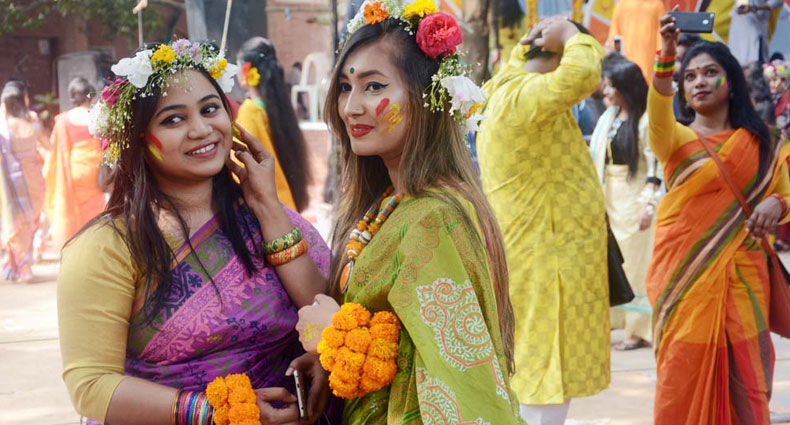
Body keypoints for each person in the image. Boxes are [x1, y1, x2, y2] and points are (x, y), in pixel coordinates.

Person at [57, 40, 334, 425]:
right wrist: (219, 411)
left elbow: (327, 311)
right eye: (173, 119)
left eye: (209, 109)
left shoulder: (267, 217)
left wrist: (323, 355)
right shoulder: (108, 247)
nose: (201, 130)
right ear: (138, 137)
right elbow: (91, 385)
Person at [296, 3, 525, 424]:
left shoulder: (433, 218)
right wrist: (333, 357)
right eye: (345, 87)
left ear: (425, 99)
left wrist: (337, 333)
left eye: (374, 86)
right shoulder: (390, 202)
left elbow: (457, 372)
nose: (350, 107)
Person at [646, 9, 790, 424]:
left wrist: (777, 204)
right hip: (684, 280)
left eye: (711, 73)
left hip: (746, 279)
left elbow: (786, 194)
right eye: (690, 77)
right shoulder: (675, 139)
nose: (700, 82)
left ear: (731, 82)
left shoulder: (764, 141)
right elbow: (658, 109)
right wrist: (667, 55)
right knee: (682, 376)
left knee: (749, 384)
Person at [477, 17, 610, 425]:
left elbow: (529, 63)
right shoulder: (526, 97)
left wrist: (542, 40)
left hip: (533, 249)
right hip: (546, 256)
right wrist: (571, 35)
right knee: (544, 368)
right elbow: (583, 75)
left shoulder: (503, 87)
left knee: (535, 362)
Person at [590, 57, 659, 351]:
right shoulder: (609, 117)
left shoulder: (645, 121)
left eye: (611, 87)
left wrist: (648, 204)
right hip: (609, 197)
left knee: (635, 264)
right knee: (613, 262)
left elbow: (655, 166)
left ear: (626, 88)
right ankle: (617, 321)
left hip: (635, 201)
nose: (606, 92)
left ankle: (638, 329)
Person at [236, 37, 311, 212]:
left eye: (237, 66)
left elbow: (240, 165)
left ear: (246, 70)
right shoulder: (280, 109)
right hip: (287, 201)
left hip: (267, 209)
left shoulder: (250, 111)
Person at [44, 77, 107, 251]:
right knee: (95, 208)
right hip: (96, 171)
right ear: (89, 95)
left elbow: (54, 148)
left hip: (73, 170)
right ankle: (93, 243)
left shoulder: (63, 120)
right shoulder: (96, 116)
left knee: (75, 207)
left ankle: (78, 245)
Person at [0, 81, 49, 282]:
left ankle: (20, 265)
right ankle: (21, 264)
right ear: (22, 101)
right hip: (34, 181)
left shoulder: (3, 130)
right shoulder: (34, 126)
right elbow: (49, 145)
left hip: (9, 184)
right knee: (29, 222)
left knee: (13, 220)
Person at [606, 0, 666, 83]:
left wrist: (660, 61)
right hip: (625, 62)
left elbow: (661, 38)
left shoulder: (657, 5)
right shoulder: (623, 4)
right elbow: (615, 36)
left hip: (648, 63)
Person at [729, 0, 784, 65]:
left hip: (756, 23)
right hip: (739, 21)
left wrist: (754, 8)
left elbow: (776, 2)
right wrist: (742, 6)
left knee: (754, 57)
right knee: (736, 56)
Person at [673, 33, 702, 123]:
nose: (675, 65)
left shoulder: (705, 95)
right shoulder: (668, 96)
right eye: (676, 59)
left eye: (686, 60)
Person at [764, 59, 790, 137]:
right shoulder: (771, 97)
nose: (771, 84)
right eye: (769, 80)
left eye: (775, 80)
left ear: (784, 80)